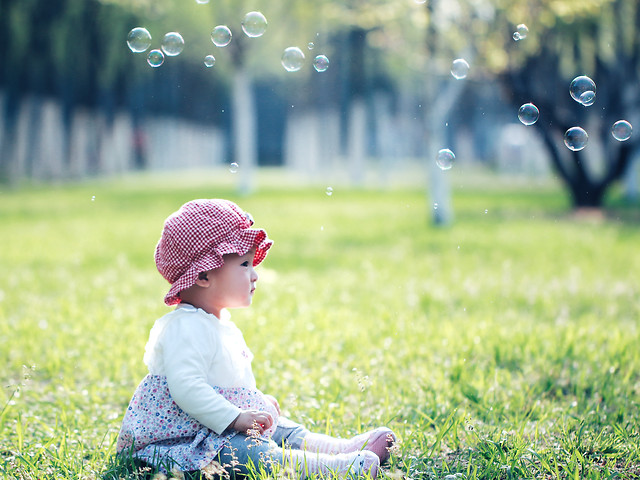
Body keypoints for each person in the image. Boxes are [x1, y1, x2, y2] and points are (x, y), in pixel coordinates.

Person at [116, 199, 396, 478]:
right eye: (245, 264)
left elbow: (225, 383)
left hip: (212, 428)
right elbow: (186, 387)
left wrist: (256, 402)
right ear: (203, 275)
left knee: (281, 427)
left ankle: (338, 449)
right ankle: (332, 468)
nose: (255, 275)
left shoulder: (215, 323)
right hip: (183, 442)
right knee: (247, 453)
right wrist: (236, 418)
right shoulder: (186, 327)